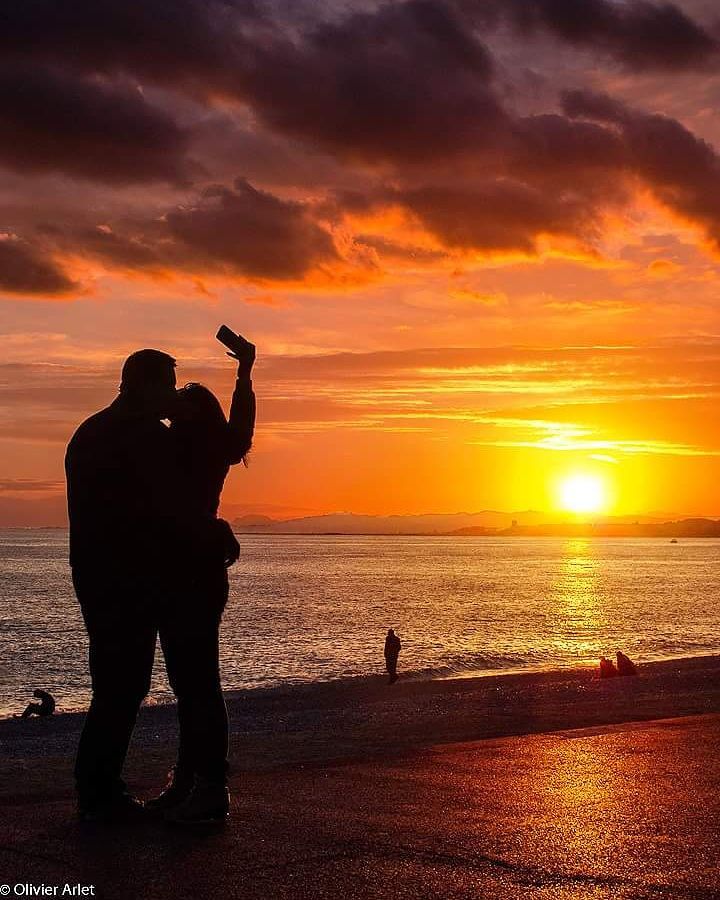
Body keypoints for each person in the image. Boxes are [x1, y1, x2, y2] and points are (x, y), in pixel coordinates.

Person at [65, 346, 252, 824]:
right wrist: (213, 529)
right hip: (132, 583)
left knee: (129, 685)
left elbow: (166, 504)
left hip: (119, 580)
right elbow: (155, 510)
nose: (172, 395)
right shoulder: (143, 438)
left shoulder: (95, 431)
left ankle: (110, 789)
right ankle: (106, 791)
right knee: (134, 686)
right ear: (142, 385)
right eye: (168, 385)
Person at [147, 343, 256, 825]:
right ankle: (191, 780)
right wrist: (245, 374)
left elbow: (238, 427)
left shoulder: (184, 447)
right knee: (189, 683)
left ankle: (209, 785)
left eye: (185, 400)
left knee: (198, 683)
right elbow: (241, 427)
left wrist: (245, 377)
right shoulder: (201, 446)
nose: (176, 406)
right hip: (190, 569)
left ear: (198, 413)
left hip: (193, 569)